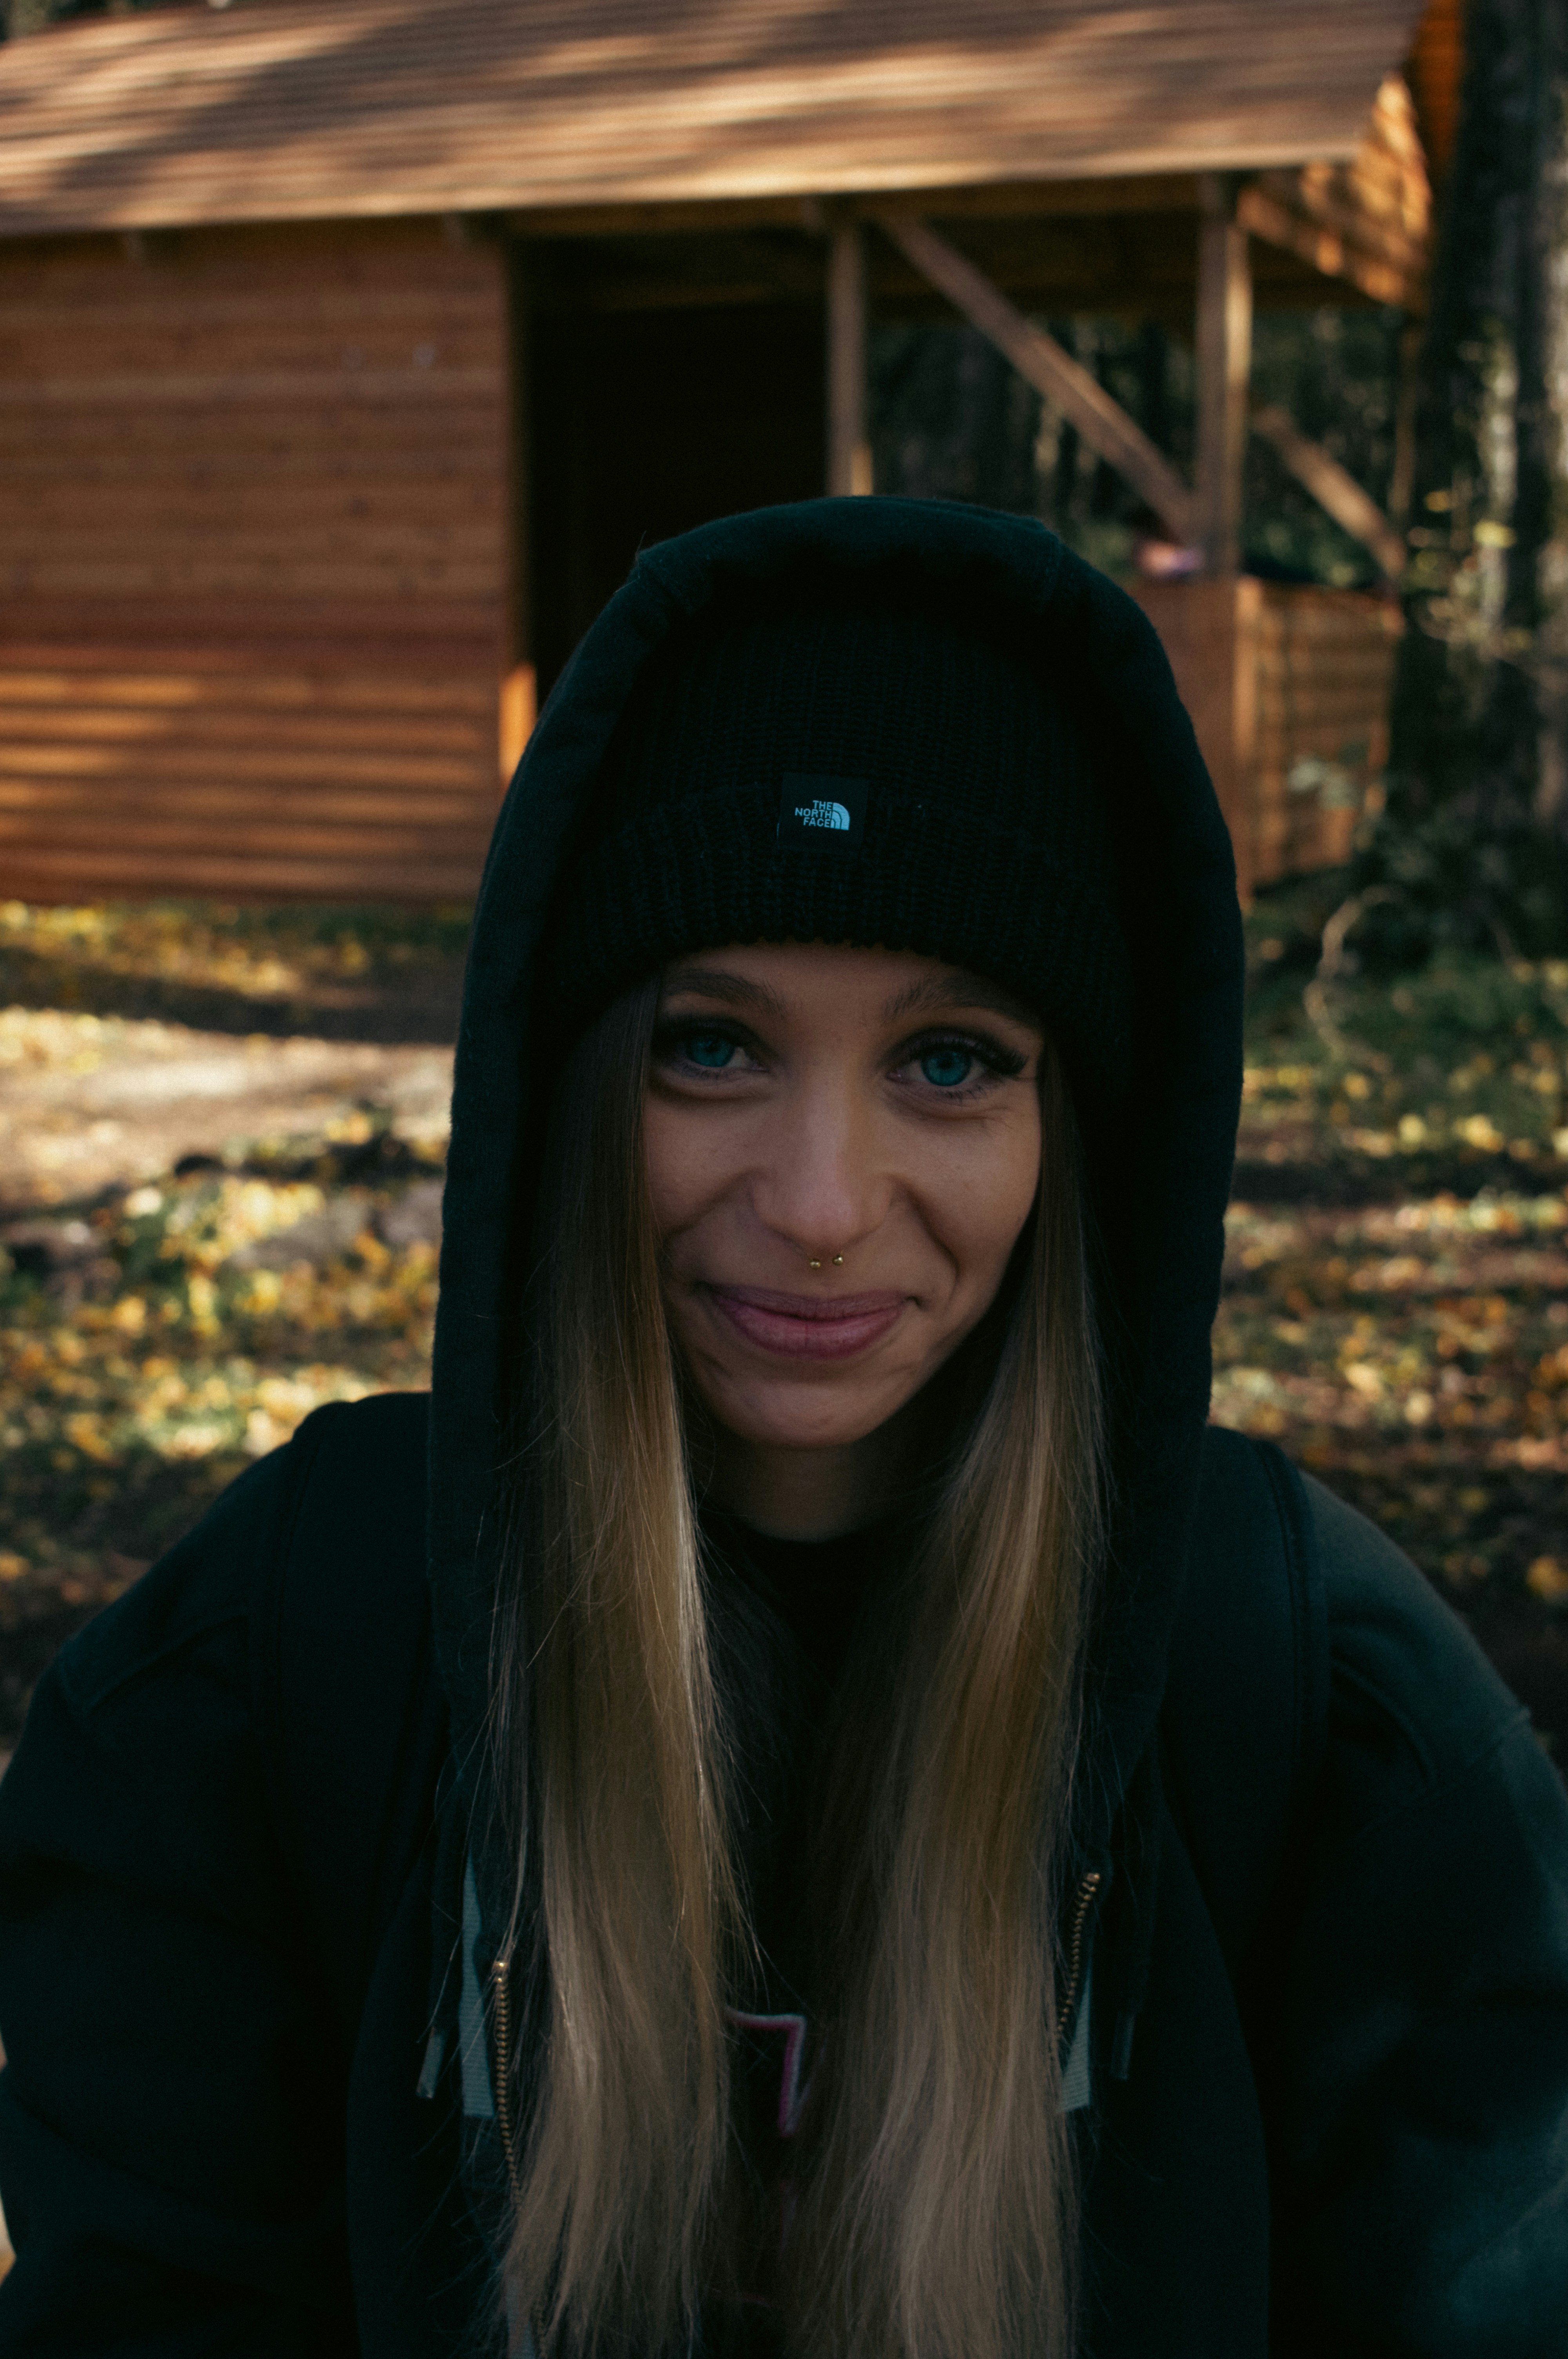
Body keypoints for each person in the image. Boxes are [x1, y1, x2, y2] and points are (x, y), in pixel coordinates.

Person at [0, 497, 1565, 2359]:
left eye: (950, 1061)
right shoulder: (274, 1664)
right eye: (712, 1045)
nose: (822, 1201)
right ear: (567, 1089)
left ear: (1076, 1139)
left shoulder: (1313, 1703)